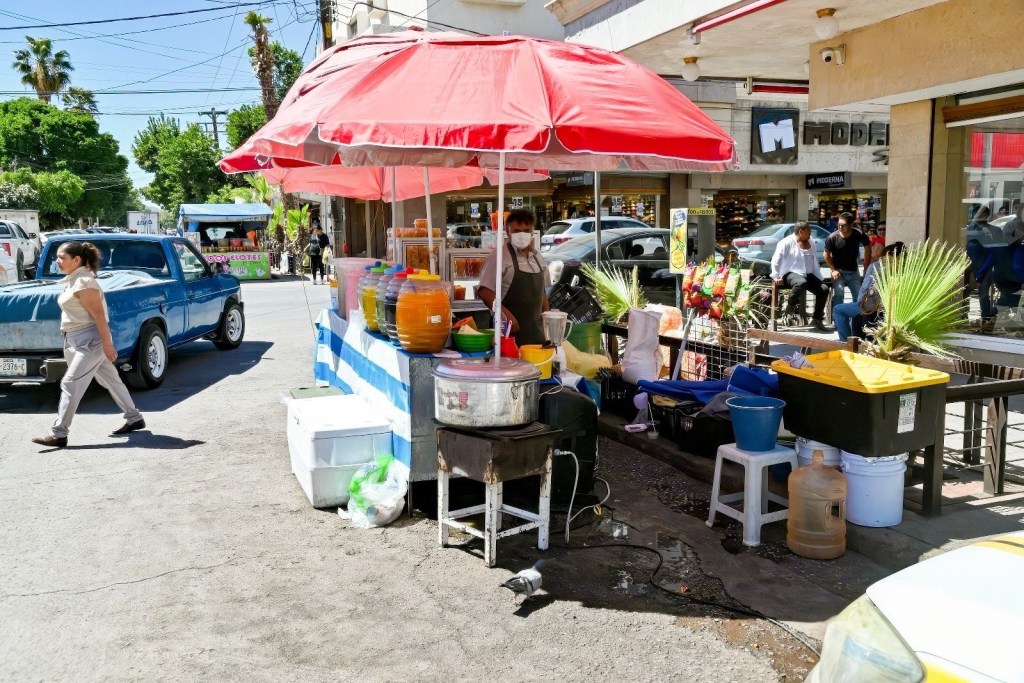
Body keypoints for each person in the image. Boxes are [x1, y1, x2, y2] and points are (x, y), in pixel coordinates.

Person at [31, 242, 145, 449]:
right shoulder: (73, 279)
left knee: (70, 383)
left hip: (89, 340)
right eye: (57, 257)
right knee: (110, 379)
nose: (57, 261)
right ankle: (134, 418)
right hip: (74, 338)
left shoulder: (84, 282)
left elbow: (100, 317)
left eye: (61, 257)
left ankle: (59, 433)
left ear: (77, 260)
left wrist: (107, 345)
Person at [477, 208, 550, 346]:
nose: (522, 235)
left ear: (532, 231)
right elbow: (484, 291)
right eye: (516, 231)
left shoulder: (538, 257)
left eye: (526, 230)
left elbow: (542, 292)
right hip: (509, 335)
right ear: (507, 230)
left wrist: (548, 317)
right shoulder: (498, 257)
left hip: (537, 334)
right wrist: (504, 314)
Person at [770, 220, 830, 331]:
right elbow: (776, 259)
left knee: (824, 289)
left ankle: (817, 319)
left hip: (807, 274)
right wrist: (776, 275)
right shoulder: (786, 242)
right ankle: (790, 308)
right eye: (809, 231)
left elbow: (814, 259)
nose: (810, 233)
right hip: (789, 273)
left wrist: (817, 275)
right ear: (801, 231)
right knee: (801, 282)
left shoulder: (811, 241)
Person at [824, 212, 873, 307]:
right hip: (838, 271)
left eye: (843, 225)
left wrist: (866, 264)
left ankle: (856, 319)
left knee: (859, 295)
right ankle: (837, 319)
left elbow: (867, 247)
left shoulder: (858, 233)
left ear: (851, 225)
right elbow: (826, 254)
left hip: (853, 271)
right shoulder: (832, 237)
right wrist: (833, 270)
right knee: (838, 295)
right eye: (839, 225)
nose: (840, 227)